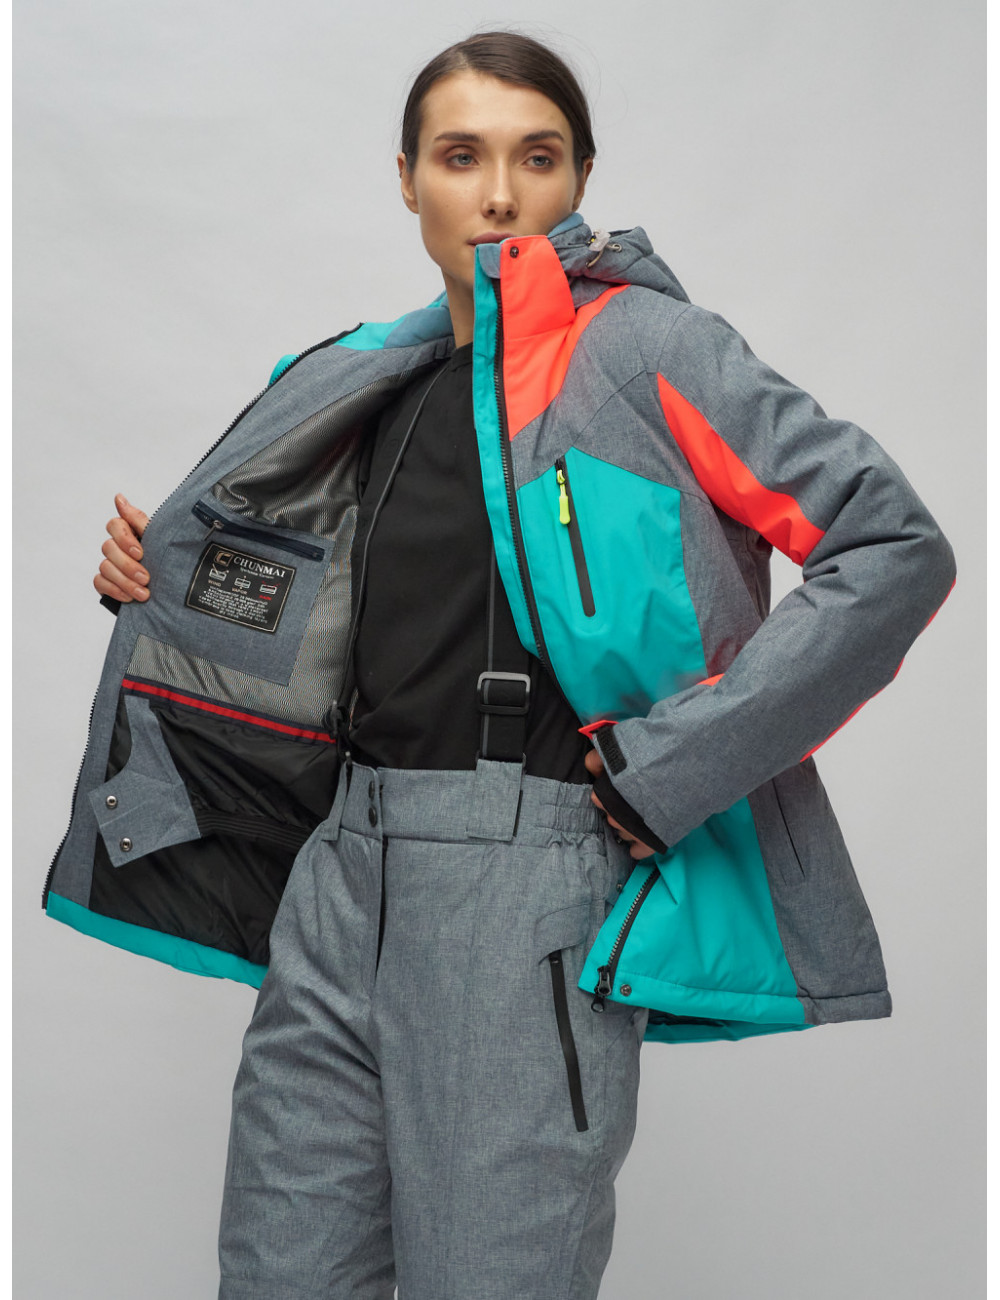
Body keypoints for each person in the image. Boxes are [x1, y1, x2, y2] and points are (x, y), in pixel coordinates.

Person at [48, 29, 955, 1300]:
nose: (497, 193)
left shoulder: (647, 354)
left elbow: (893, 548)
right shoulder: (357, 377)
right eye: (460, 156)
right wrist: (157, 586)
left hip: (527, 888)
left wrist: (670, 767)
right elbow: (325, 616)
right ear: (406, 178)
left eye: (536, 157)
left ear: (580, 178)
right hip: (337, 878)